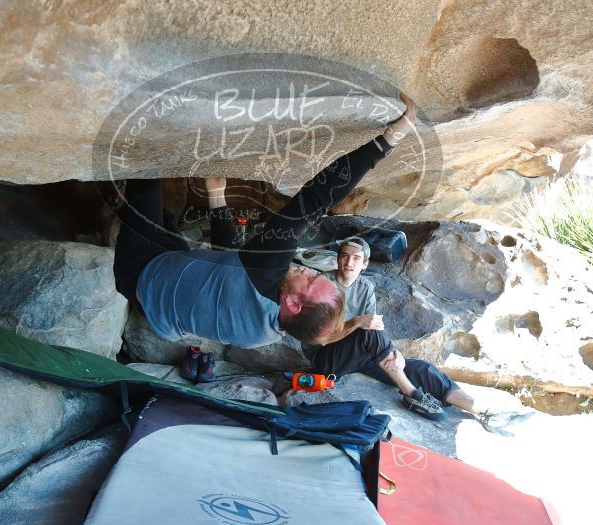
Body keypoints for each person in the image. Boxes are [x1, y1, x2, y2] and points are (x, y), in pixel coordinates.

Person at [113, 93, 418, 349]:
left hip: (141, 269)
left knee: (148, 175)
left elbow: (316, 198)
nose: (307, 270)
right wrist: (216, 196)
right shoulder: (266, 334)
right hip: (165, 300)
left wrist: (387, 141)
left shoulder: (267, 272)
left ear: (294, 305)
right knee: (167, 218)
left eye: (310, 280)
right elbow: (231, 266)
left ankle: (135, 116)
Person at [303, 237, 533, 432]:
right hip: (327, 358)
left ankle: (483, 411)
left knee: (422, 369)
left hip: (358, 354)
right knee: (369, 334)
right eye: (344, 256)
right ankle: (413, 395)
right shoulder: (323, 284)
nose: (349, 262)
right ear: (338, 258)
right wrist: (355, 322)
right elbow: (318, 337)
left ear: (365, 264)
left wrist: (395, 355)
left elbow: (372, 328)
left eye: (356, 258)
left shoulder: (365, 287)